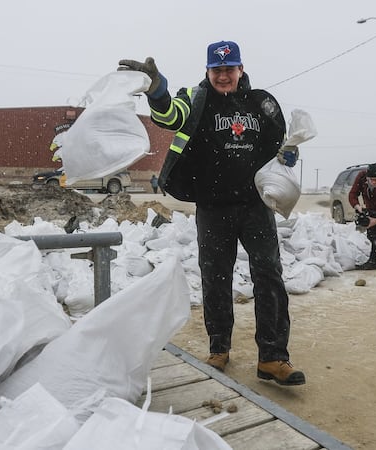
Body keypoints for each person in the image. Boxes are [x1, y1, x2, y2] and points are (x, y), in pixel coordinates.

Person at [118, 40, 305, 386]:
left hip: (255, 205)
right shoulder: (196, 99)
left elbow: (278, 145)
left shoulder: (260, 103)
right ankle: (219, 348)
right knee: (216, 277)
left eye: (229, 69)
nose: (223, 76)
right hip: (213, 205)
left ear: (240, 70)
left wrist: (287, 155)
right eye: (216, 70)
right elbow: (168, 117)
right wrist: (157, 89)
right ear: (208, 71)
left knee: (269, 276)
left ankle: (273, 357)